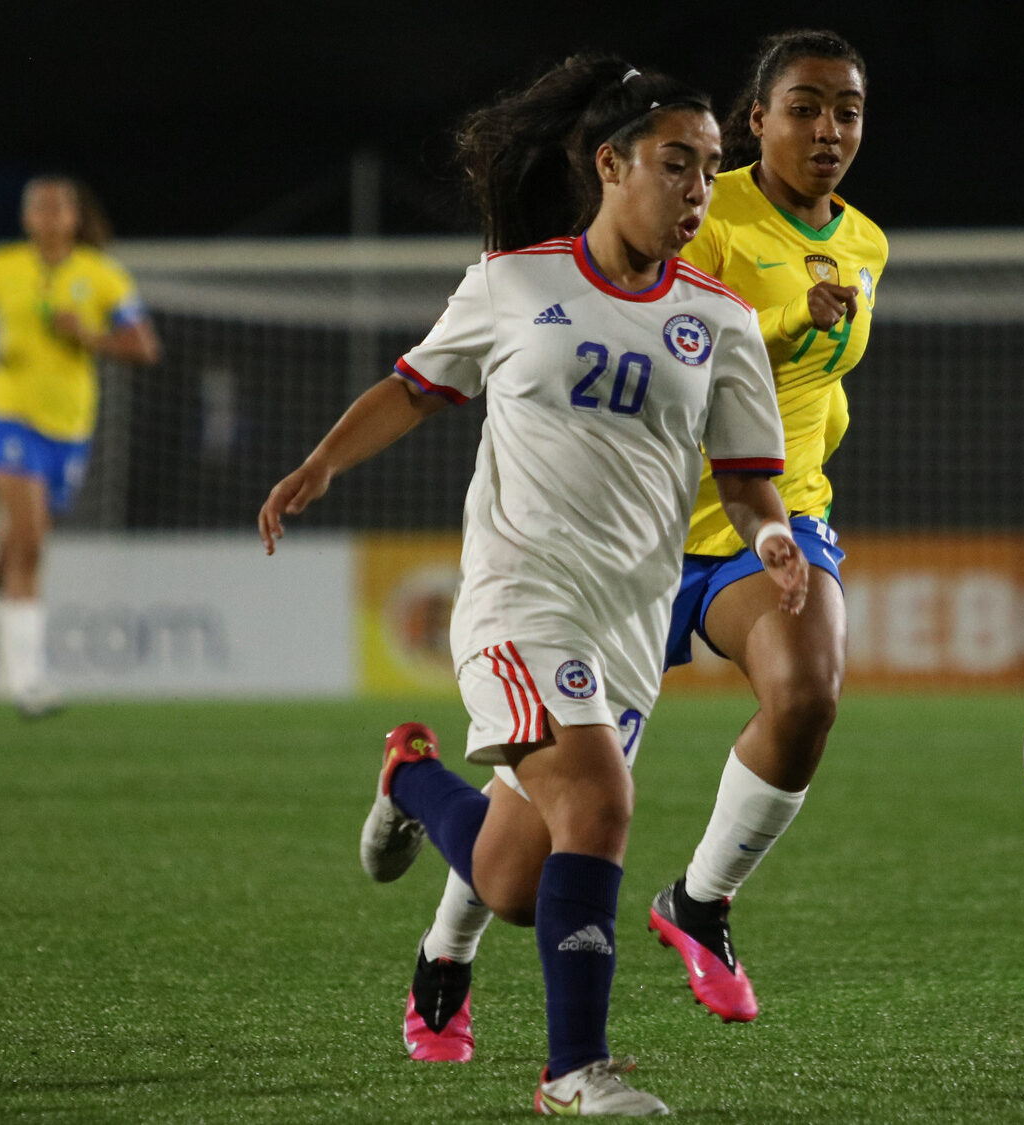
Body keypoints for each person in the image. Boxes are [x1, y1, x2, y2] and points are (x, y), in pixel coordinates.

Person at [259, 55, 802, 1116]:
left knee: (513, 884)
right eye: (675, 166)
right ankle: (573, 1071)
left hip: (626, 632)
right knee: (599, 801)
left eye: (709, 172)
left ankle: (408, 779)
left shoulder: (721, 324)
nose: (697, 193)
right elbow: (414, 390)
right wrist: (321, 464)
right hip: (517, 601)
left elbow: (745, 483)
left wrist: (771, 534)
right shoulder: (515, 284)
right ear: (609, 164)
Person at [401, 28, 883, 1055]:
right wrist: (791, 328)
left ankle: (699, 903)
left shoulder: (865, 244)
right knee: (531, 833)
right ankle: (447, 946)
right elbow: (681, 328)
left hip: (768, 521)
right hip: (640, 535)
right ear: (756, 119)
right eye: (803, 106)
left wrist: (794, 485)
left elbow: (798, 388)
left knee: (807, 692)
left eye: (845, 109)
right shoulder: (703, 204)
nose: (827, 129)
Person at [0, 175, 160, 716]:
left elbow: (143, 346)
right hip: (7, 416)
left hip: (70, 427)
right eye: (39, 206)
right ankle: (27, 681)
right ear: (27, 217)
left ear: (75, 217)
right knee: (30, 543)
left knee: (16, 543)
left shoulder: (100, 275)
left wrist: (88, 337)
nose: (49, 216)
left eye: (59, 207)